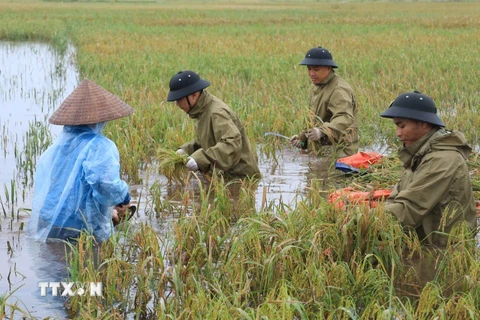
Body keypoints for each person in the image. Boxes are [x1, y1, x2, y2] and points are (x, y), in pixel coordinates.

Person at [27, 79, 133, 242]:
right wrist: (123, 198)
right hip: (77, 226)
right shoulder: (99, 146)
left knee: (52, 265)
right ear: (100, 119)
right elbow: (105, 183)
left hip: (48, 219)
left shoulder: (58, 146)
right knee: (86, 264)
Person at [380, 90, 477, 247]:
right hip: (425, 242)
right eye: (396, 126)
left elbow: (410, 208)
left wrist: (367, 223)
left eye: (402, 126)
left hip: (445, 252)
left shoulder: (443, 160)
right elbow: (397, 198)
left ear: (423, 123)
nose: (398, 133)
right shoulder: (419, 154)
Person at [167, 70, 261, 179]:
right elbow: (210, 139)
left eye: (179, 99)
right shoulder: (203, 111)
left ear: (194, 95)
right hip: (225, 176)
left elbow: (231, 143)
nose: (177, 104)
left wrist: (199, 159)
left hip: (240, 179)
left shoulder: (217, 113)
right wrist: (186, 150)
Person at [290, 46, 359, 157]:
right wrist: (302, 139)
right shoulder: (317, 87)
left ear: (328, 68)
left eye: (316, 69)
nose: (311, 73)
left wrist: (322, 131)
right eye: (309, 69)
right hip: (322, 148)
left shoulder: (339, 90)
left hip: (340, 151)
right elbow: (314, 120)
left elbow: (344, 118)